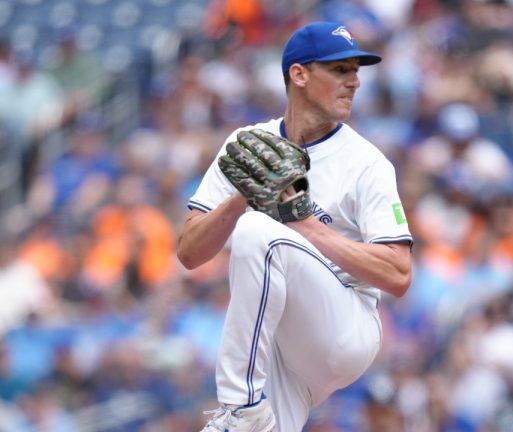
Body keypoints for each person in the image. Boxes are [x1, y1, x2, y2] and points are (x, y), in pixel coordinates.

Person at [176, 21, 414, 431]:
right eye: (340, 70)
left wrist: (307, 226)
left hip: (345, 324)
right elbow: (189, 253)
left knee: (257, 233)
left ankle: (242, 407)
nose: (355, 82)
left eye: (356, 70)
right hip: (282, 348)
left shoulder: (366, 162)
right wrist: (240, 199)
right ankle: (241, 420)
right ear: (299, 74)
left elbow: (398, 274)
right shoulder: (250, 144)